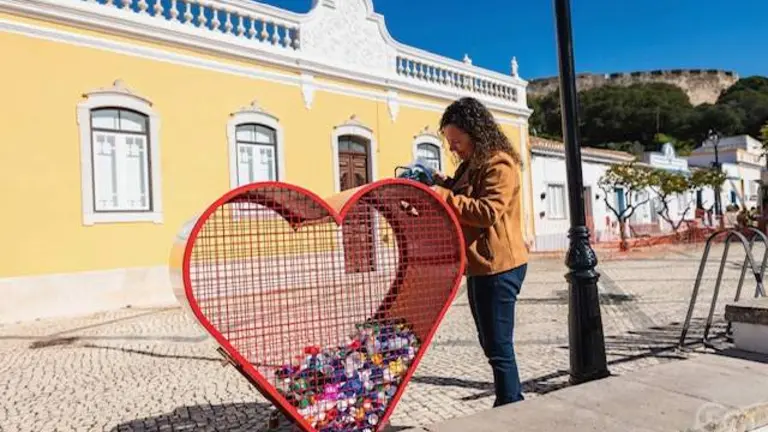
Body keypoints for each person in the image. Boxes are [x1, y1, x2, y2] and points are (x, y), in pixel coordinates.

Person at [430, 97, 529, 407]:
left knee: (499, 346)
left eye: (457, 141)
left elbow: (487, 211)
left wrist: (444, 195)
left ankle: (509, 407)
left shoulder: (499, 162)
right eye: (450, 143)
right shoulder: (472, 164)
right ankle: (511, 400)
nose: (454, 149)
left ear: (475, 132)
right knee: (490, 343)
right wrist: (441, 183)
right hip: (479, 265)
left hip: (499, 266)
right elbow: (465, 194)